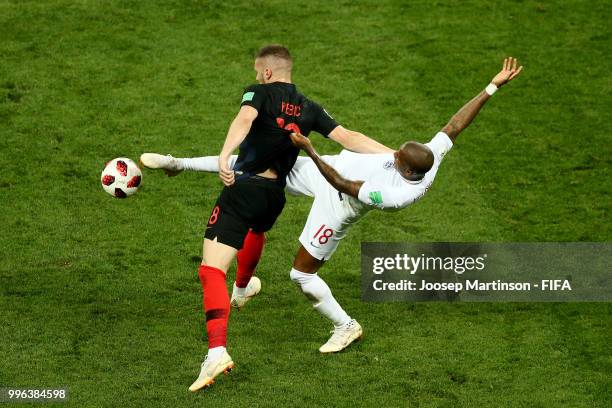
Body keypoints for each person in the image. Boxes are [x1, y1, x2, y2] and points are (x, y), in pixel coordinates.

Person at [143, 57, 522, 358]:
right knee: (256, 164)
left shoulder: (393, 195)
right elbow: (455, 125)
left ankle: (345, 326)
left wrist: (309, 149)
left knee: (301, 276)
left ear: (406, 170)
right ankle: (179, 163)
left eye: (397, 156)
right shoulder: (428, 157)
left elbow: (343, 185)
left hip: (337, 201)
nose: (392, 154)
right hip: (332, 170)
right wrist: (492, 86)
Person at [142, 44, 391, 392]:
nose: (257, 76)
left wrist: (227, 155)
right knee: (255, 230)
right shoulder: (309, 108)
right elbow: (350, 138)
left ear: (268, 72)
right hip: (273, 198)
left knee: (211, 270)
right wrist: (396, 157)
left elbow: (244, 120)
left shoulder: (257, 93)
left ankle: (216, 352)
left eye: (258, 71)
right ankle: (243, 290)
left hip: (244, 191)